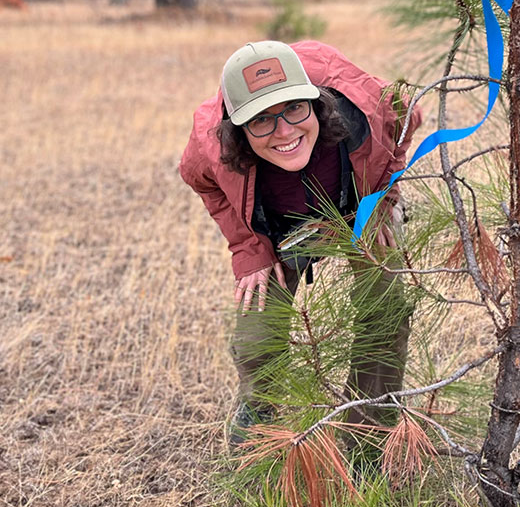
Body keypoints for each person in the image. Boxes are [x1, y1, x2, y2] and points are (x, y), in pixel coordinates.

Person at [179, 39, 423, 445]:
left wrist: (384, 197)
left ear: (316, 102)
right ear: (238, 130)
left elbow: (407, 116)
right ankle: (262, 434)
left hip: (354, 209)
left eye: (294, 108)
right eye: (261, 120)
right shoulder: (212, 146)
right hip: (281, 228)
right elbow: (200, 181)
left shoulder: (364, 110)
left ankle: (369, 431)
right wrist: (248, 248)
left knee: (387, 306)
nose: (285, 132)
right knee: (256, 338)